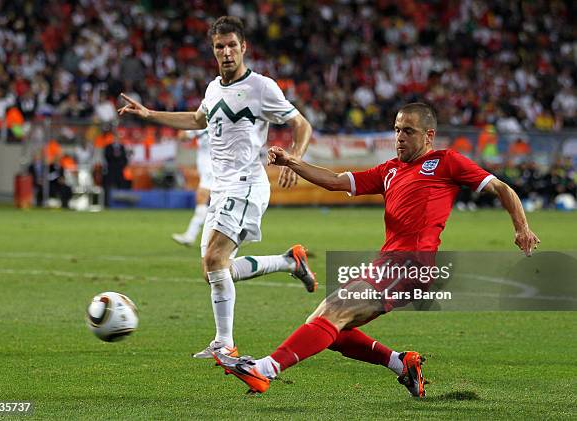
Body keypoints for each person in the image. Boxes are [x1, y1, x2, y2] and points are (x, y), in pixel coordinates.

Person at [212, 103, 540, 397]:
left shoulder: (446, 162)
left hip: (412, 265)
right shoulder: (390, 170)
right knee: (329, 328)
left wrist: (521, 227)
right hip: (387, 263)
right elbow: (336, 180)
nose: (399, 137)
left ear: (429, 135)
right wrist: (293, 162)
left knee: (334, 313)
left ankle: (264, 370)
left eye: (408, 131)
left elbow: (501, 187)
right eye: (397, 130)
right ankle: (402, 364)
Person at [118, 16, 317, 359]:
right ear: (213, 51)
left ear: (243, 48)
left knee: (214, 259)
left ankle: (224, 343)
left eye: (231, 46)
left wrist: (295, 159)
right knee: (213, 269)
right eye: (219, 47)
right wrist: (150, 114)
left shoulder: (262, 87)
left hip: (247, 184)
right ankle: (289, 262)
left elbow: (301, 124)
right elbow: (197, 120)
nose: (226, 53)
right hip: (221, 189)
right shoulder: (213, 88)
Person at [172, 129, 213, 247]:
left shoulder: (220, 120)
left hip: (213, 169)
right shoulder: (201, 122)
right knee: (208, 201)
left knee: (202, 198)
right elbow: (181, 136)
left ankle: (191, 235)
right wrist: (190, 132)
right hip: (208, 170)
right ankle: (192, 235)